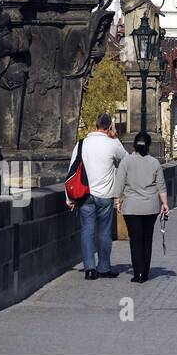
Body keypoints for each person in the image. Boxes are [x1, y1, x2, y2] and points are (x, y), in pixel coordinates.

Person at [67, 113, 128, 279]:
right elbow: (127, 161)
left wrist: (69, 198)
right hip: (105, 195)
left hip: (85, 194)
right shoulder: (112, 143)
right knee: (104, 232)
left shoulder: (82, 144)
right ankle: (104, 268)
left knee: (87, 231)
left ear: (95, 125)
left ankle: (89, 269)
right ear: (109, 127)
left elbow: (71, 171)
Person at [114, 131, 169, 283]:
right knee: (147, 239)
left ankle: (137, 273)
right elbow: (161, 186)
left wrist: (117, 201)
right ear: (149, 145)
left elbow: (119, 183)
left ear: (134, 145)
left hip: (131, 207)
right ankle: (145, 273)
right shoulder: (154, 163)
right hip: (151, 207)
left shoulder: (126, 161)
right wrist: (165, 204)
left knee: (135, 240)